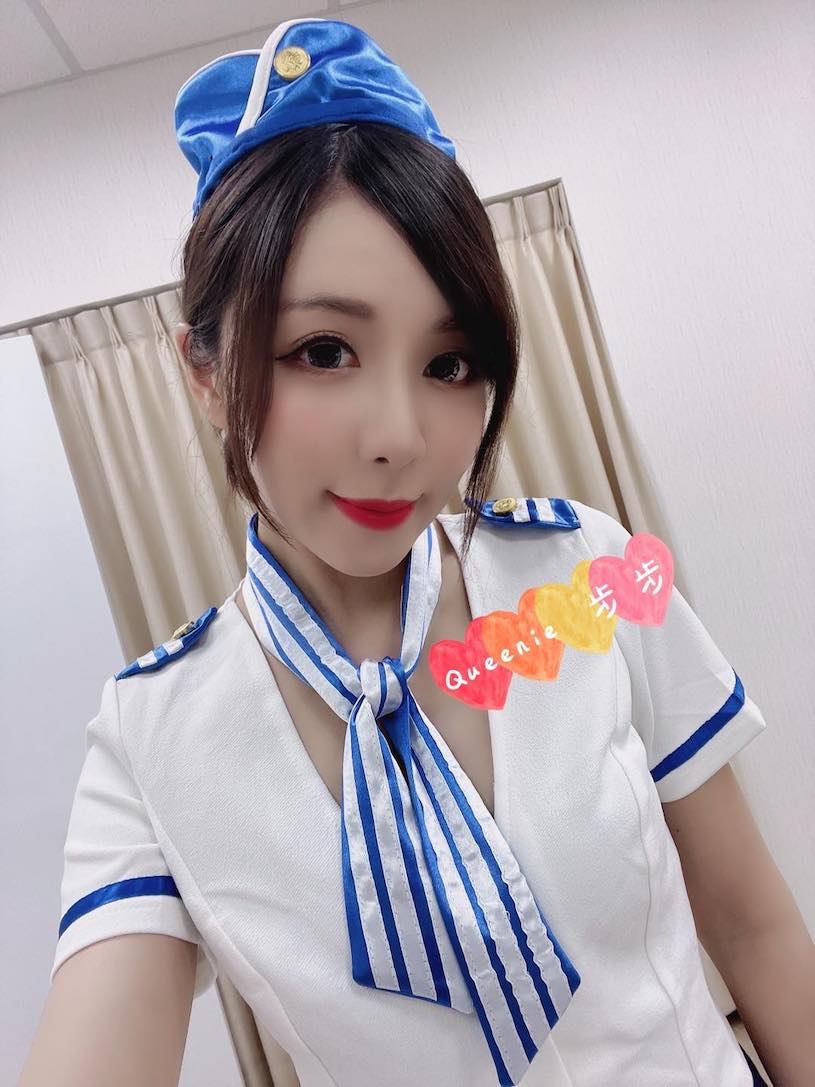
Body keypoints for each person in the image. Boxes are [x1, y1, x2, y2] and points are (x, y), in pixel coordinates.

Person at [19, 16, 796, 1087]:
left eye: (449, 362)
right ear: (203, 371)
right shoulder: (153, 738)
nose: (398, 436)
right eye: (322, 350)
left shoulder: (586, 572)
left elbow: (752, 924)